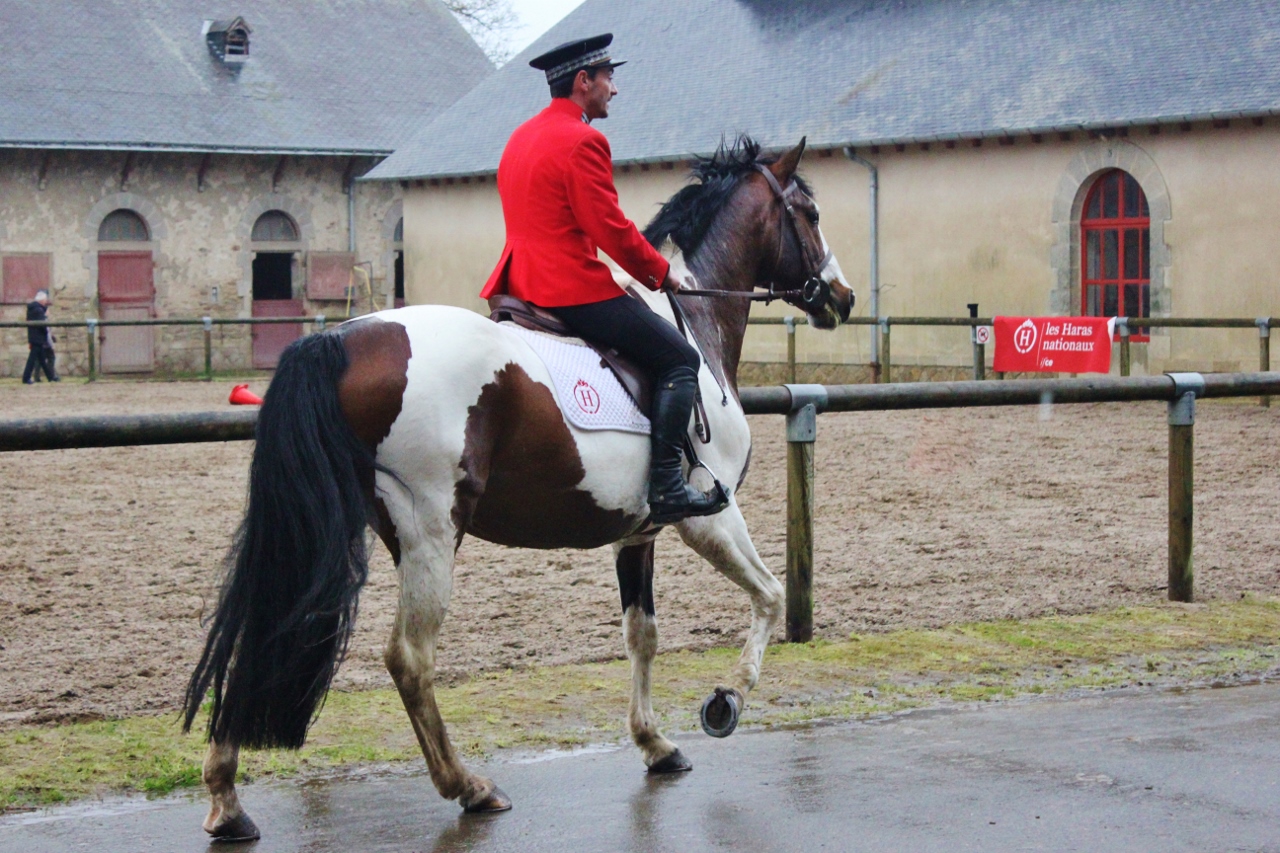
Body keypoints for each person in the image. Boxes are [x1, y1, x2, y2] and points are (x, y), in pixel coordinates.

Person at [481, 33, 727, 525]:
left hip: (518, 284)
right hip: (569, 288)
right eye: (609, 79)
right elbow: (609, 228)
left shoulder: (519, 137)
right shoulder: (584, 140)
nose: (614, 90)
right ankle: (667, 484)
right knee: (680, 358)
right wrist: (661, 273)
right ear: (582, 82)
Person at [23, 289, 59, 384]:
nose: (46, 302)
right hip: (37, 338)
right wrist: (45, 316)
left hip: (36, 338)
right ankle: (26, 377)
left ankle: (50, 377)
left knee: (42, 359)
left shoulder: (34, 309)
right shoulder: (38, 310)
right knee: (32, 359)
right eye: (45, 300)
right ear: (42, 300)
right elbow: (42, 325)